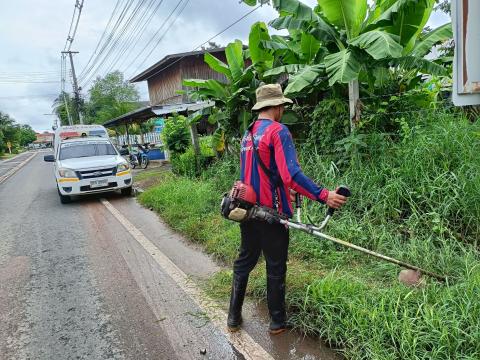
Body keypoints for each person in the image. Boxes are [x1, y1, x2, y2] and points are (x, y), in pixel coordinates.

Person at [227, 83, 348, 335]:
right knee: (275, 265)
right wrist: (324, 195)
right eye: (282, 105)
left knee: (245, 261)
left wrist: (284, 188)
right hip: (272, 214)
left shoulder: (247, 134)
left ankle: (233, 316)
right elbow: (291, 174)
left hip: (246, 209)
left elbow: (259, 174)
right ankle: (277, 322)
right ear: (278, 106)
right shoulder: (278, 131)